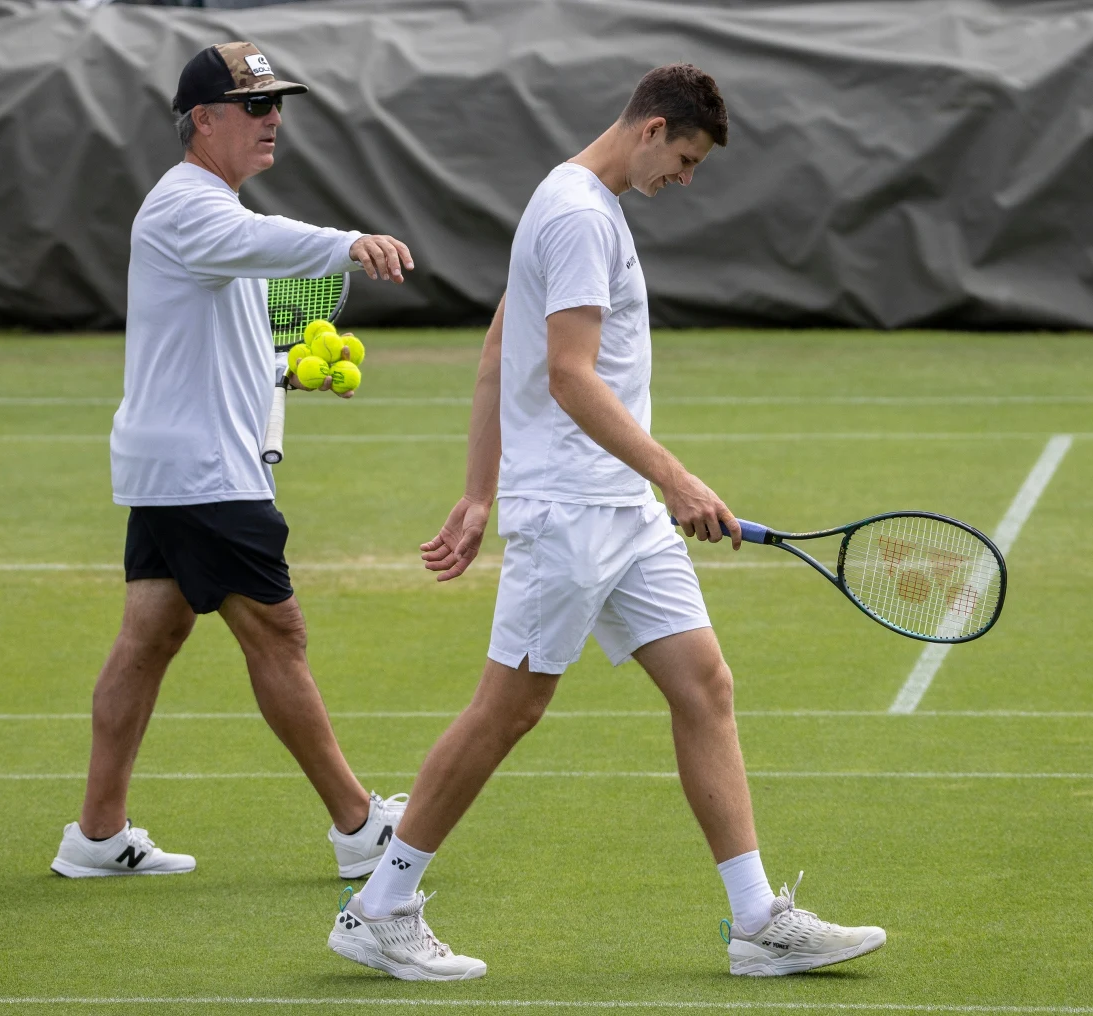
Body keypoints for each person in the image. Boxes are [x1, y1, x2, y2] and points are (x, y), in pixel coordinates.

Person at [327, 64, 886, 979]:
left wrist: (478, 493)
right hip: (576, 514)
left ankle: (756, 923)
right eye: (688, 159)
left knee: (705, 684)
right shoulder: (583, 215)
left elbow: (500, 345)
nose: (686, 180)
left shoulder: (568, 199)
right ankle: (379, 906)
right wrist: (676, 478)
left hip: (619, 512)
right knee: (508, 711)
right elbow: (568, 375)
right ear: (652, 127)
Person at [50, 42, 413, 880]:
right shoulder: (189, 207)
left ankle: (97, 837)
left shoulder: (216, 214)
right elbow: (267, 244)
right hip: (205, 471)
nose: (272, 118)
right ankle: (361, 830)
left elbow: (217, 332)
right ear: (202, 120)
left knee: (149, 638)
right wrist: (351, 240)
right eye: (254, 105)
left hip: (176, 462)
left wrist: (286, 372)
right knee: (278, 635)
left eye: (276, 103)